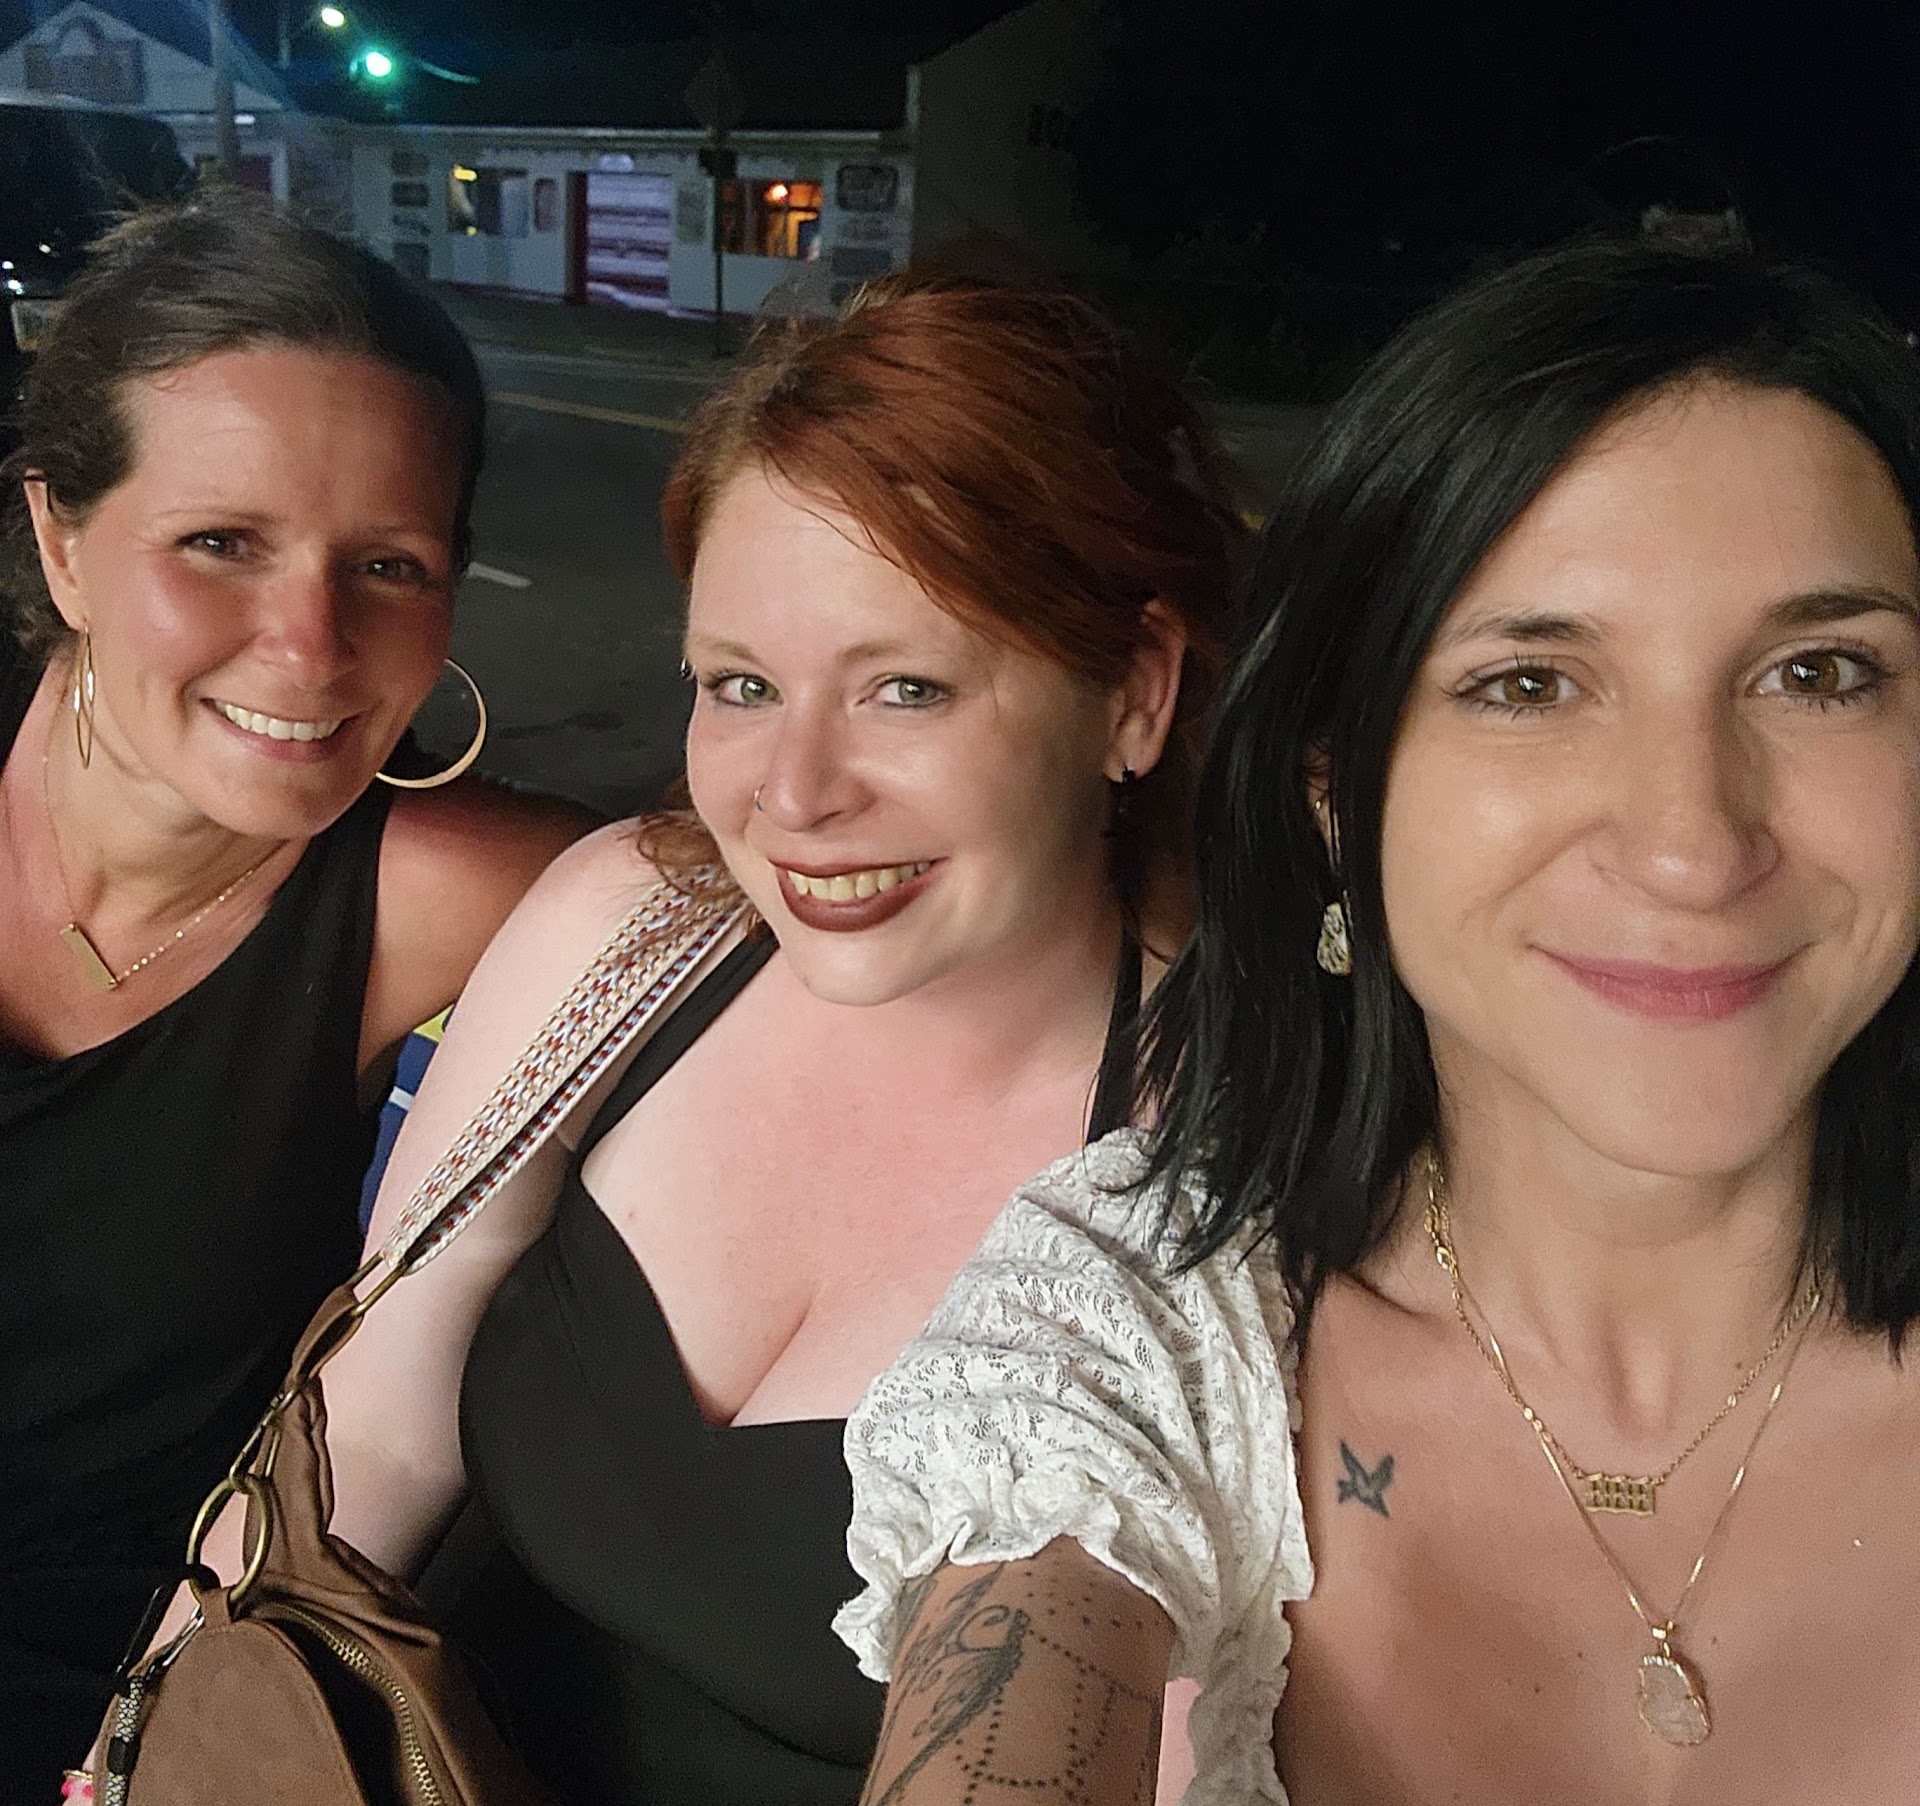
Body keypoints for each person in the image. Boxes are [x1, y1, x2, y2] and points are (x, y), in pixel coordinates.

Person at [837, 237, 1920, 1805]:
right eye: (1530, 683)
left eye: (1818, 672)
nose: (1693, 844)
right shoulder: (1137, 1327)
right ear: (1336, 793)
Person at [285, 273, 1251, 1806]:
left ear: (1134, 695)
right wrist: (152, 1743)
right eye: (740, 685)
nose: (791, 793)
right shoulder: (635, 930)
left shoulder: (1234, 1191)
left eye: (906, 689)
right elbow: (375, 1429)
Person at [0, 192, 592, 1793]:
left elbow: (824, 866)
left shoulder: (441, 888)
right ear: (63, 539)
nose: (314, 643)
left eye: (389, 564)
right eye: (221, 543)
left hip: (122, 1698)